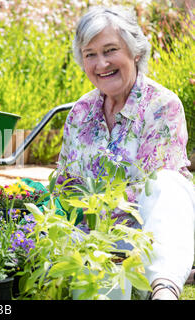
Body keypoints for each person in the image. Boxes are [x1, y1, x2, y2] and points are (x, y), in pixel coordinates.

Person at [56, 5, 195, 300]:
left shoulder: (161, 106)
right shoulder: (80, 112)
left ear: (135, 52)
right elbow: (65, 188)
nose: (101, 63)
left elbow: (154, 194)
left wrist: (99, 217)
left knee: (167, 183)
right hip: (89, 241)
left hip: (144, 239)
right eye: (90, 54)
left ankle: (165, 289)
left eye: (110, 50)